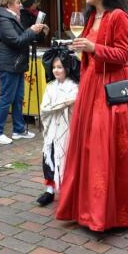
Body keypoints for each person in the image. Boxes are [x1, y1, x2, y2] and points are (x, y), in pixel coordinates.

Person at [56, 0, 128, 231]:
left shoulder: (120, 17)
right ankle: (86, 208)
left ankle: (107, 213)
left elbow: (123, 54)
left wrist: (94, 49)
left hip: (112, 88)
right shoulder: (92, 16)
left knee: (107, 146)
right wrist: (81, 49)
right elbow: (90, 52)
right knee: (88, 145)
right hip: (91, 86)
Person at [0, 0, 48, 145]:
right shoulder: (3, 20)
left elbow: (24, 38)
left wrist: (38, 32)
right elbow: (16, 41)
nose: (20, 5)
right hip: (7, 64)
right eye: (17, 2)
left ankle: (18, 129)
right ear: (9, 4)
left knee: (18, 98)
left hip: (15, 63)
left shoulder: (12, 18)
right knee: (6, 97)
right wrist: (31, 30)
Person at [37, 44, 80, 206]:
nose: (56, 70)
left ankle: (69, 189)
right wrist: (63, 103)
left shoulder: (74, 87)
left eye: (60, 67)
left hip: (66, 128)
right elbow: (44, 108)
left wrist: (68, 103)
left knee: (67, 157)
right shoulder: (50, 86)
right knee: (49, 156)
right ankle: (49, 190)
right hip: (52, 130)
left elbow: (75, 105)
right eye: (54, 67)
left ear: (67, 68)